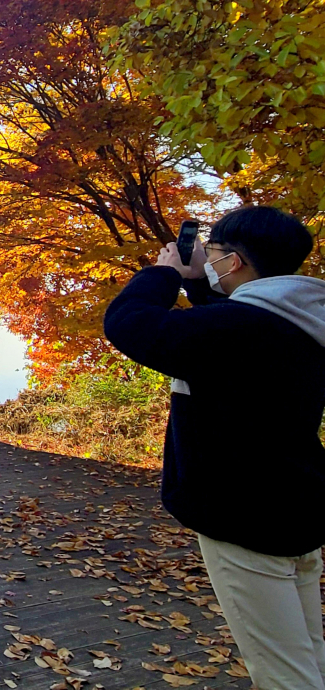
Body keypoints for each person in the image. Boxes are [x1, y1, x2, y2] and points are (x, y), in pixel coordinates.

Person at [103, 205, 325, 690]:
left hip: (244, 518)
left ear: (237, 262)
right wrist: (200, 282)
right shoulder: (302, 326)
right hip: (298, 507)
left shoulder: (235, 331)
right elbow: (228, 330)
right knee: (309, 653)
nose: (210, 261)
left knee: (285, 674)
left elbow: (128, 323)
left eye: (218, 254)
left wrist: (162, 273)